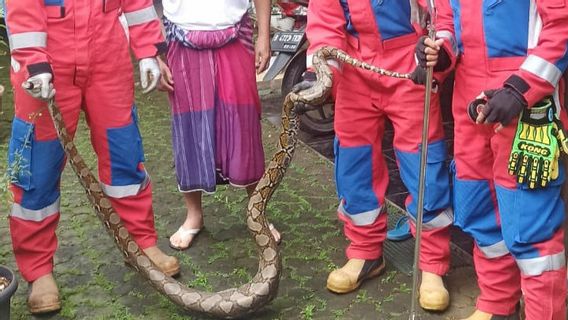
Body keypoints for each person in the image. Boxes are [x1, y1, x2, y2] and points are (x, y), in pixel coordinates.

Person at [5, 0, 179, 314]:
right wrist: (33, 63)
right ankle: (38, 270)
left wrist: (147, 49)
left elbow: (138, 4)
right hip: (46, 60)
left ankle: (139, 242)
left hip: (107, 56)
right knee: (38, 172)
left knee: (124, 157)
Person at [418, 1, 568, 319]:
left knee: (531, 225)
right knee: (479, 208)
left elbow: (562, 26)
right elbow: (448, 22)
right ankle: (498, 302)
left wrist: (519, 89)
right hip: (470, 104)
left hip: (529, 106)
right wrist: (439, 52)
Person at [304, 0, 453, 311]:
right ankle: (365, 251)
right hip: (355, 65)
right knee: (354, 163)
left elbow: (445, 12)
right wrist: (322, 71)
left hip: (412, 62)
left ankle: (432, 264)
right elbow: (325, 18)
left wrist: (440, 54)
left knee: (423, 163)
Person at [157, 0, 281, 250]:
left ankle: (257, 211)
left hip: (236, 32)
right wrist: (154, 53)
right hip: (178, 36)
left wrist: (264, 36)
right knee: (189, 128)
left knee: (244, 125)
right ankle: (194, 215)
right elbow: (146, 5)